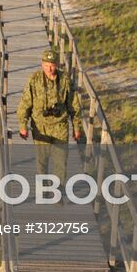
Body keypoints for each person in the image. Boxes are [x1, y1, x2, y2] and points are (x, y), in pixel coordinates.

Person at [16, 48, 83, 190]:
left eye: (52, 65)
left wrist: (77, 127)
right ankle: (44, 187)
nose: (49, 68)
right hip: (41, 127)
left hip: (60, 126)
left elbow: (73, 105)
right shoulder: (34, 80)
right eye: (46, 65)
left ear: (57, 65)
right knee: (42, 160)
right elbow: (25, 103)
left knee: (61, 160)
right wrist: (23, 125)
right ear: (41, 64)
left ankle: (57, 190)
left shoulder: (65, 80)